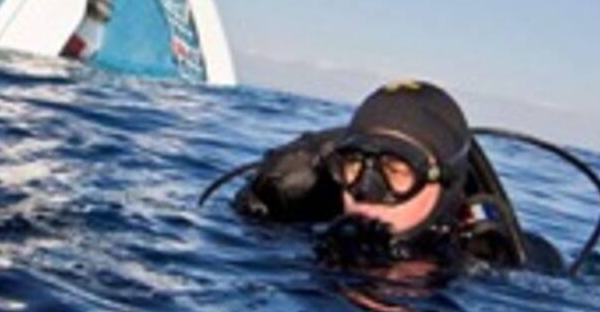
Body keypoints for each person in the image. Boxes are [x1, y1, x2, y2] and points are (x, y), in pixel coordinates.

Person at [210, 80, 565, 273]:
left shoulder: (496, 269)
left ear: (444, 183)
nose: (365, 190)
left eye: (395, 172)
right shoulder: (304, 236)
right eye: (353, 165)